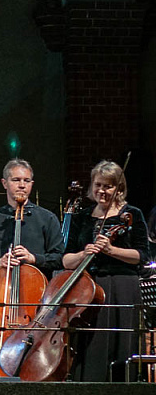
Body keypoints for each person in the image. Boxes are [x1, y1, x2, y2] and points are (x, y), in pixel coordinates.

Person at [63, 160, 151, 381]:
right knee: (92, 342)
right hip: (90, 288)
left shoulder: (132, 214)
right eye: (98, 185)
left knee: (122, 343)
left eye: (108, 186)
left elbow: (142, 256)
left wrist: (111, 250)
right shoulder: (82, 216)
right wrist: (84, 254)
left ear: (119, 189)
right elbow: (65, 259)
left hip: (123, 285)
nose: (102, 191)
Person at [0, 159, 64, 281]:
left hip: (38, 289)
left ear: (32, 184)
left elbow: (60, 258)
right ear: (4, 183)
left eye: (26, 181)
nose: (22, 185)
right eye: (16, 180)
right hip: (2, 289)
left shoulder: (48, 219)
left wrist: (33, 258)